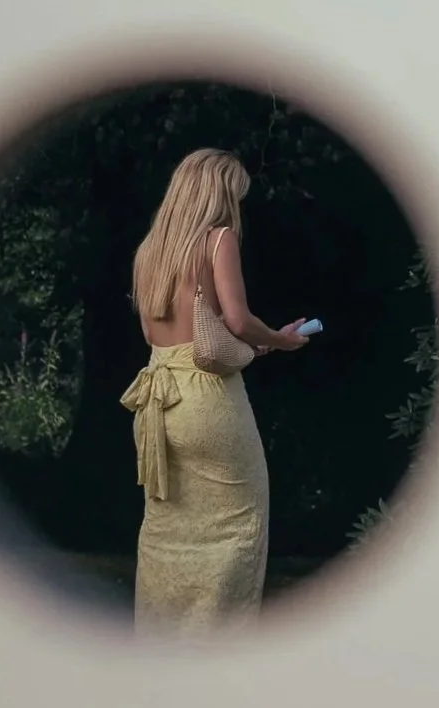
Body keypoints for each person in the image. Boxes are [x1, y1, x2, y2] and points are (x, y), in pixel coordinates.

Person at [119, 148, 309, 640]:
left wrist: (253, 349)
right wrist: (281, 340)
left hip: (159, 404)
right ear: (220, 193)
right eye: (236, 195)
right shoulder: (217, 240)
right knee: (238, 527)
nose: (238, 207)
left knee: (166, 528)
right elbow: (238, 321)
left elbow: (162, 339)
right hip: (209, 403)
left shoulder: (149, 253)